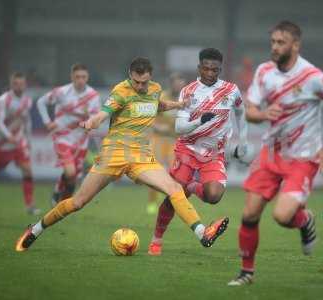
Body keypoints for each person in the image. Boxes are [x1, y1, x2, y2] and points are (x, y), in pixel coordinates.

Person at [15, 57, 228, 252]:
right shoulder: (120, 91)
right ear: (130, 76)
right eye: (136, 82)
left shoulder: (154, 89)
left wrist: (178, 104)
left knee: (174, 189)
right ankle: (35, 230)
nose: (140, 86)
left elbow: (157, 105)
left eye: (144, 82)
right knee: (78, 202)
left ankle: (202, 233)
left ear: (150, 77)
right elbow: (103, 113)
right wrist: (92, 122)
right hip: (113, 155)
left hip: (141, 156)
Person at [227, 21, 323, 286]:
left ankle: (305, 220)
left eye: (280, 42)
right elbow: (250, 111)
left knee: (282, 217)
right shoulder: (264, 72)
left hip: (303, 159)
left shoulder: (312, 76)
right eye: (272, 42)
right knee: (249, 214)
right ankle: (246, 273)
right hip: (271, 155)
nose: (274, 47)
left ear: (295, 45)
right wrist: (262, 114)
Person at [148, 48, 248, 256]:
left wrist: (243, 140)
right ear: (199, 68)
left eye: (215, 69)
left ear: (220, 69)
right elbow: (180, 128)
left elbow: (240, 110)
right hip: (188, 150)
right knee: (174, 197)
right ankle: (156, 240)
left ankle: (192, 186)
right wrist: (200, 120)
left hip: (213, 154)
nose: (210, 73)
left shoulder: (231, 90)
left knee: (214, 196)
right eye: (206, 68)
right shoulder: (189, 92)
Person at [36, 63, 101, 206]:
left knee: (73, 177)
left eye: (83, 77)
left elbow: (95, 119)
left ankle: (62, 203)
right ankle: (61, 199)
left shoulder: (93, 96)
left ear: (87, 77)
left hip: (81, 141)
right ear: (72, 77)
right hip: (62, 137)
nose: (80, 80)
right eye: (77, 77)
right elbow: (41, 102)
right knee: (70, 172)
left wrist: (88, 123)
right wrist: (47, 122)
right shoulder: (61, 92)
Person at [0, 72, 40, 215]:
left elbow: (26, 120)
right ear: (11, 84)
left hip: (18, 142)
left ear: (25, 84)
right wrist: (8, 135)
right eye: (16, 83)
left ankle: (30, 205)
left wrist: (28, 140)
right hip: (2, 143)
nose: (19, 86)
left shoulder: (27, 100)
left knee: (27, 170)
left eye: (21, 84)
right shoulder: (3, 100)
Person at [147, 73, 186, 215]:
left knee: (174, 174)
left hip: (173, 142)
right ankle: (151, 202)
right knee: (153, 172)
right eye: (176, 82)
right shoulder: (163, 97)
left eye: (181, 82)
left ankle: (171, 202)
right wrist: (158, 127)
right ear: (171, 83)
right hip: (159, 139)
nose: (179, 85)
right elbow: (151, 118)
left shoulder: (185, 101)